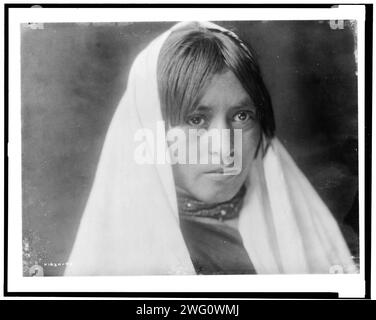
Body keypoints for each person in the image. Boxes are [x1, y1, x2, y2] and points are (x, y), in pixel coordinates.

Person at [64, 21, 357, 275]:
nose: (224, 150)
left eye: (242, 116)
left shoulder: (298, 225)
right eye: (196, 119)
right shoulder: (127, 257)